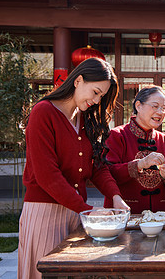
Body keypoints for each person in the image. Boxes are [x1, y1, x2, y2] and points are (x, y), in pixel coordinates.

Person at [18, 58, 130, 279]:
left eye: (101, 96)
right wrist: (86, 209)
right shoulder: (43, 112)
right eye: (96, 92)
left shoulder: (85, 118)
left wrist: (115, 195)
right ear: (78, 80)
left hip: (77, 213)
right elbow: (47, 176)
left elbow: (98, 166)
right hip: (45, 213)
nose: (97, 101)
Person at [104, 85, 165, 213]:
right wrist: (140, 164)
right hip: (125, 214)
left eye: (164, 108)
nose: (160, 112)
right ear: (138, 106)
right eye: (155, 106)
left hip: (158, 216)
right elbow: (107, 174)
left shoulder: (164, 140)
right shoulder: (117, 135)